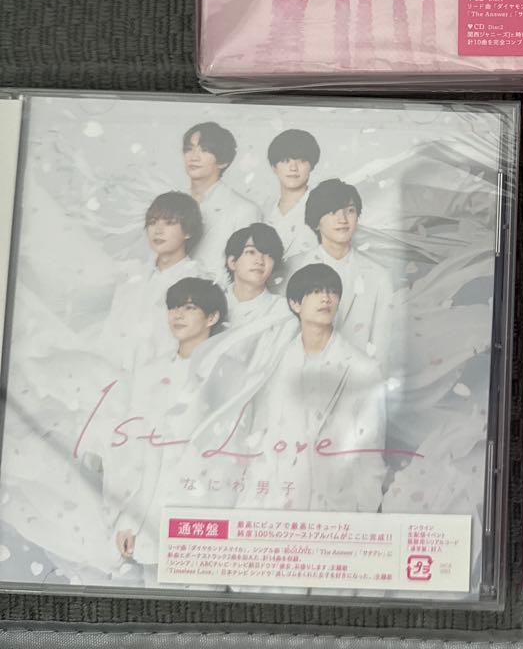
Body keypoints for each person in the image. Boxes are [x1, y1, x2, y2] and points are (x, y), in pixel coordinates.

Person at [105, 278, 229, 580]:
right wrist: (129, 521)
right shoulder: (153, 372)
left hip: (207, 516)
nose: (178, 315)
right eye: (173, 307)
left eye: (190, 307)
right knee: (156, 601)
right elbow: (137, 453)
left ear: (212, 317)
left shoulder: (228, 373)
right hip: (154, 513)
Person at [239, 264, 387, 513]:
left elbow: (371, 452)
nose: (326, 298)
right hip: (277, 501)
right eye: (316, 291)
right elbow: (260, 434)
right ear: (295, 304)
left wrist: (365, 512)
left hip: (335, 505)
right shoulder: (275, 363)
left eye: (332, 291)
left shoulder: (363, 368)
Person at [298, 178, 395, 368]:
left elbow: (381, 348)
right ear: (316, 222)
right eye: (332, 212)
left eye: (350, 211)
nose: (342, 219)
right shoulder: (297, 270)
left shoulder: (379, 277)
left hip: (357, 377)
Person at [108, 191, 205, 373]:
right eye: (152, 222)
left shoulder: (198, 281)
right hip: (113, 375)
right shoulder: (132, 276)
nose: (158, 230)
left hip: (162, 378)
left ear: (188, 231)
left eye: (169, 222)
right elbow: (112, 331)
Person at [182, 121, 260, 270]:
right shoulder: (171, 204)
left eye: (204, 150)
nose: (193, 157)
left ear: (223, 161)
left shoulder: (244, 210)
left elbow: (246, 270)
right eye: (189, 149)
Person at [262, 128, 321, 287]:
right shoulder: (263, 211)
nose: (293, 168)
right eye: (286, 160)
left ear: (312, 165)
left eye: (301, 160)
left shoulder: (324, 208)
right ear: (274, 167)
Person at [223, 223, 291, 327]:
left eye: (269, 255)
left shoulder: (282, 310)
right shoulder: (210, 301)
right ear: (232, 262)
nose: (260, 261)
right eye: (251, 252)